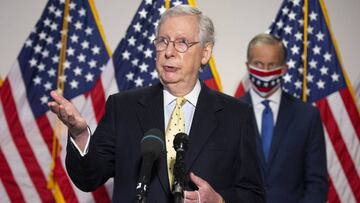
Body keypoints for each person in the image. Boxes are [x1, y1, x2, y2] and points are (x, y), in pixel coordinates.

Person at [49, 5, 264, 203]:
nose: (168, 52)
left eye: (182, 43)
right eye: (162, 41)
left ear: (205, 52)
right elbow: (89, 178)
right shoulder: (123, 108)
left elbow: (254, 195)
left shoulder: (236, 115)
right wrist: (80, 135)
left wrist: (219, 201)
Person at [241, 33, 328, 202]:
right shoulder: (230, 113)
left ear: (284, 69)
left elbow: (317, 184)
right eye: (259, 64)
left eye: (272, 65)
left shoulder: (307, 116)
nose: (265, 72)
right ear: (248, 66)